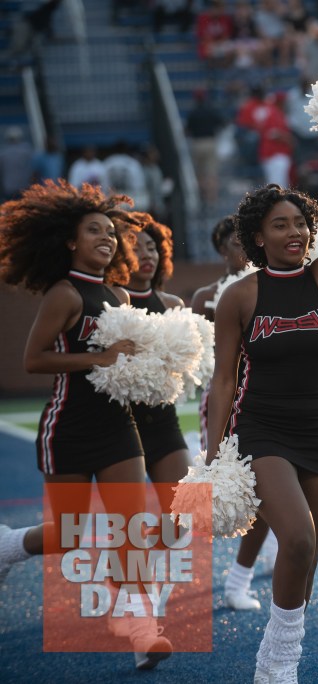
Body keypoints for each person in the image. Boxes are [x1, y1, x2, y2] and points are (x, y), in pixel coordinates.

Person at [204, 149, 318, 682]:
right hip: (262, 429)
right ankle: (276, 665)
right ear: (257, 236)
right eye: (280, 225)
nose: (294, 233)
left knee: (306, 560)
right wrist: (215, 452)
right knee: (298, 538)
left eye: (301, 223)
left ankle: (281, 654)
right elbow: (223, 379)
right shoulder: (240, 296)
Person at [0, 180, 173, 670]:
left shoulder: (119, 294)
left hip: (119, 427)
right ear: (71, 242)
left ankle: (141, 628)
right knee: (70, 535)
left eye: (110, 232)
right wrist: (101, 358)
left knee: (129, 528)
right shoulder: (64, 293)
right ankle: (8, 546)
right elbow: (32, 361)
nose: (107, 238)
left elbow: (130, 360)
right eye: (93, 230)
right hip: (67, 427)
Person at [190, 215, 277, 611]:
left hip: (265, 397)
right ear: (221, 247)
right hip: (226, 397)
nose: (239, 249)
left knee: (262, 495)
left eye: (244, 241)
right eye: (231, 242)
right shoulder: (207, 296)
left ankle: (238, 581)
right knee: (225, 494)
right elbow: (207, 359)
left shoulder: (273, 284)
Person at [124, 213, 191, 515]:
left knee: (187, 513)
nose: (145, 254)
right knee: (127, 525)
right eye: (135, 247)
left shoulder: (172, 305)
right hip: (121, 424)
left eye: (151, 247)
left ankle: (141, 557)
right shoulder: (110, 304)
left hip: (164, 422)